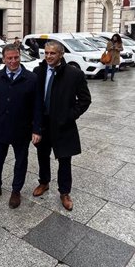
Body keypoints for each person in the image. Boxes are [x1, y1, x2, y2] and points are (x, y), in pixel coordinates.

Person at [31, 41, 91, 211]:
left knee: (65, 160)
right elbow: (34, 99)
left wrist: (70, 116)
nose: (49, 56)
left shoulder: (74, 74)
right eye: (46, 53)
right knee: (42, 155)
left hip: (63, 125)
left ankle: (64, 192)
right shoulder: (38, 71)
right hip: (43, 124)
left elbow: (85, 100)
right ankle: (44, 182)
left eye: (53, 53)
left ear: (61, 54)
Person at [0, 43, 37, 209]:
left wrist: (37, 129)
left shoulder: (31, 78)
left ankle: (16, 191)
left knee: (21, 161)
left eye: (16, 57)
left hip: (22, 129)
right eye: (9, 58)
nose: (13, 61)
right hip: (0, 127)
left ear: (20, 56)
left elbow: (37, 107)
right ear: (3, 59)